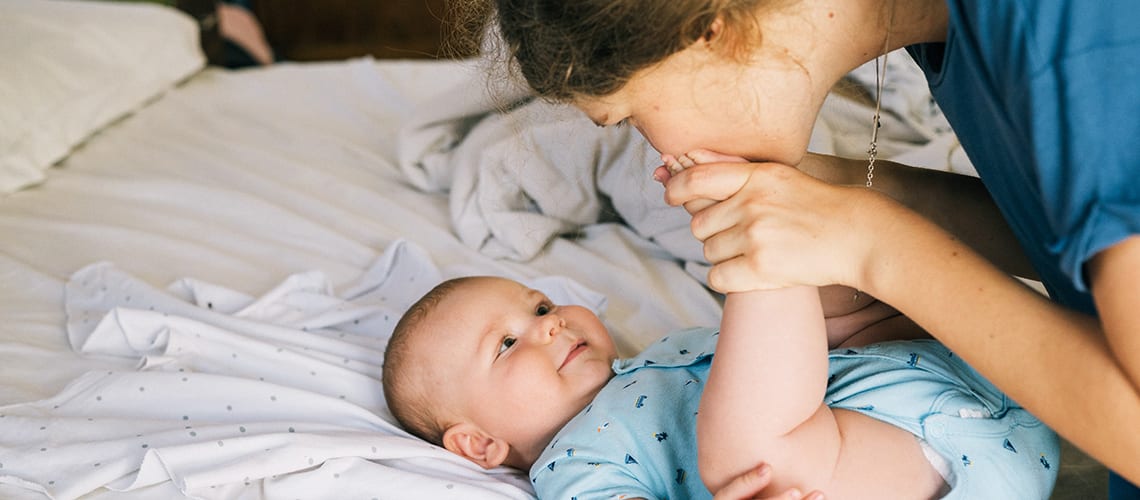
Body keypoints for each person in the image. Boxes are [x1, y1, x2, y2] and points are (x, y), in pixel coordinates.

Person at [471, 0, 1140, 495]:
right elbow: (1068, 232)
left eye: (631, 115)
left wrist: (874, 244)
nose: (658, 148)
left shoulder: (1076, 37)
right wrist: (852, 199)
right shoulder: (953, 30)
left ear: (707, 32)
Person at [381, 273, 1058, 499]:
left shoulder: (665, 350)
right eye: (507, 345)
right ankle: (772, 258)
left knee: (823, 304)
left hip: (984, 392)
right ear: (478, 444)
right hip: (885, 473)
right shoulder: (571, 464)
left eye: (538, 308)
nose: (550, 326)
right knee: (750, 450)